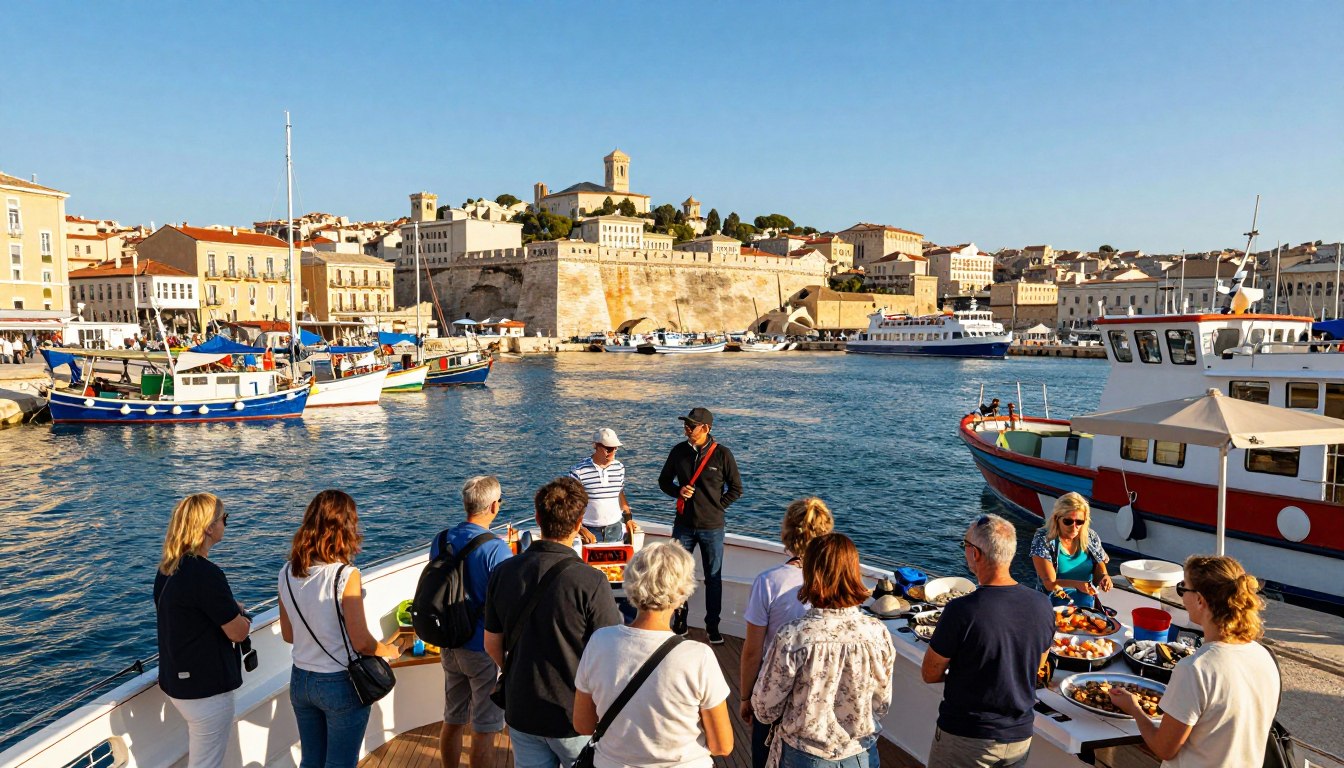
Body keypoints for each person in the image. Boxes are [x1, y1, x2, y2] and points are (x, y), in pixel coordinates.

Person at [483, 477, 622, 768]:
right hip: (573, 714)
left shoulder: (504, 572)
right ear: (579, 523)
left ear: (537, 518)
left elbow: (492, 643)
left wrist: (513, 669)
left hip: (522, 707)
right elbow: (610, 655)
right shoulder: (592, 581)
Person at [1108, 555, 1279, 767]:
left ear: (1200, 600)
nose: (1181, 598)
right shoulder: (1263, 655)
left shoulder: (1196, 668)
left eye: (1183, 589)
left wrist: (1134, 709)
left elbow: (1164, 749)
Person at [573, 542, 734, 766]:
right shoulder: (698, 657)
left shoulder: (599, 642)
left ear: (631, 584)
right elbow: (722, 746)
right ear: (681, 593)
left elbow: (583, 725)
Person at [921, 514, 1054, 768]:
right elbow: (1037, 666)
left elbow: (930, 672)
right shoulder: (1042, 605)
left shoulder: (962, 610)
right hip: (1019, 736)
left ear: (976, 555)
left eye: (965, 546)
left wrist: (971, 675)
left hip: (967, 736)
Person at [278, 490, 399, 768]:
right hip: (338, 683)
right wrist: (388, 651)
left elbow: (289, 635)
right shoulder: (345, 575)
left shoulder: (286, 572)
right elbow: (362, 643)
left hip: (301, 681)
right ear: (346, 528)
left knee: (312, 761)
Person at [751, 533, 894, 768]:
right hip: (861, 757)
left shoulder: (793, 636)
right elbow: (882, 704)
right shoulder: (878, 633)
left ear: (810, 574)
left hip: (805, 756)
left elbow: (765, 709)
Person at [154, 493, 251, 768]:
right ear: (209, 527)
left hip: (177, 683)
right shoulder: (206, 573)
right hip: (206, 691)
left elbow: (188, 611)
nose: (225, 524)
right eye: (224, 518)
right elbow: (237, 633)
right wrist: (242, 617)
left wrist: (227, 606)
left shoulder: (168, 568)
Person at [740, 497, 836, 768]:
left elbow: (752, 651)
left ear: (787, 534)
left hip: (776, 690)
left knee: (766, 756)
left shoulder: (769, 582)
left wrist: (746, 697)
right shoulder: (837, 582)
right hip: (822, 686)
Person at [430, 476, 513, 768]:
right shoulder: (496, 550)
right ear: (493, 506)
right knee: (484, 729)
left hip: (449, 644)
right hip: (482, 649)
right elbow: (507, 604)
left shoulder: (441, 540)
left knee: (452, 718)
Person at [658, 407, 743, 645]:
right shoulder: (678, 452)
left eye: (691, 425)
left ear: (705, 428)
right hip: (683, 526)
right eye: (685, 424)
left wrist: (717, 507)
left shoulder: (722, 455)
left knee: (713, 577)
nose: (686, 428)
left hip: (712, 528)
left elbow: (736, 489)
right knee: (678, 575)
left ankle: (712, 626)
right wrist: (679, 491)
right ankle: (681, 620)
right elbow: (664, 481)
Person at [1030, 493, 1112, 609]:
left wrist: (1104, 577)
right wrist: (1077, 585)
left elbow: (1100, 565)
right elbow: (1049, 584)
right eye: (1068, 522)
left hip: (1087, 605)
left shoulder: (1091, 536)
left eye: (1079, 522)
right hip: (1052, 606)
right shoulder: (1043, 539)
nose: (1074, 527)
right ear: (1056, 518)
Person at [569, 428, 641, 544]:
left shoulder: (619, 468)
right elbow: (570, 503)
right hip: (588, 530)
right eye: (608, 448)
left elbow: (620, 494)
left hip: (615, 529)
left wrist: (628, 520)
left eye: (615, 448)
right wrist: (581, 529)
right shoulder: (578, 470)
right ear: (595, 446)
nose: (613, 452)